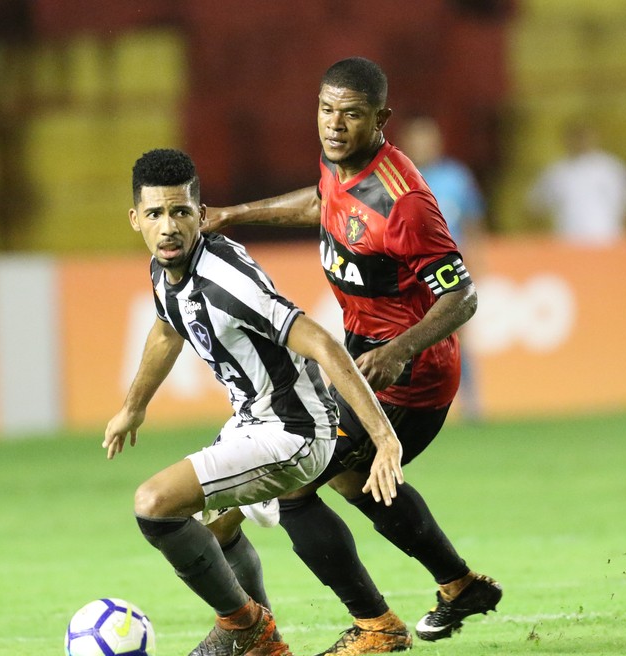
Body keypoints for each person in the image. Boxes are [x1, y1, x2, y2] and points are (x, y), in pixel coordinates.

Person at [205, 57, 502, 655]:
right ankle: (459, 585)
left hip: (411, 373)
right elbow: (321, 204)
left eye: (352, 114)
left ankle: (376, 627)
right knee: (354, 481)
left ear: (381, 119)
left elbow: (463, 294)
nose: (334, 125)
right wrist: (233, 215)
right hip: (364, 355)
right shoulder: (340, 163)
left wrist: (401, 348)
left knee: (293, 484)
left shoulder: (405, 203)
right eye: (326, 110)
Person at [104, 148, 406, 656]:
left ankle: (246, 628)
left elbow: (324, 344)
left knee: (155, 506)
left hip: (294, 430)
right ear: (136, 219)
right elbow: (165, 330)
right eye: (155, 214)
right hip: (255, 421)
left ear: (201, 214)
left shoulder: (226, 281)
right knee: (214, 531)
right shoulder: (166, 271)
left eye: (181, 211)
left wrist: (383, 436)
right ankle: (264, 645)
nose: (168, 226)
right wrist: (135, 406)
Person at [399, 114, 486, 422]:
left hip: (450, 270)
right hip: (410, 274)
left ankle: (472, 405)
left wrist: (478, 264)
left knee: (459, 338)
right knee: (410, 343)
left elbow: (472, 223)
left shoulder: (456, 177)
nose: (423, 144)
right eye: (417, 138)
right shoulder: (396, 179)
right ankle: (414, 412)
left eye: (428, 137)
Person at [526, 120, 626, 245]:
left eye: (585, 137)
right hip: (567, 243)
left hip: (607, 241)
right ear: (566, 140)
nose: (581, 141)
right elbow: (535, 209)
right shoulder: (555, 172)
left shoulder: (612, 168)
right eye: (576, 137)